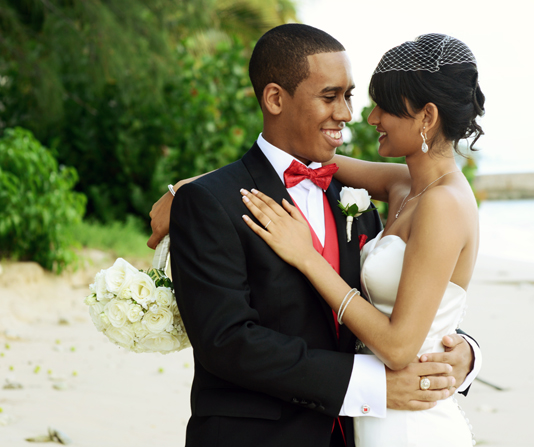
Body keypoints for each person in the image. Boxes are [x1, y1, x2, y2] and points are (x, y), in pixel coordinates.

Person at [154, 24, 480, 447]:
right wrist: (187, 188)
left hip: (391, 421)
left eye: (359, 98)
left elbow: (416, 322)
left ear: (427, 116)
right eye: (332, 96)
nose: (357, 114)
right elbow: (226, 342)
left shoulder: (382, 200)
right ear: (275, 98)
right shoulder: (400, 187)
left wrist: (466, 354)